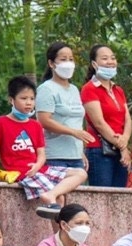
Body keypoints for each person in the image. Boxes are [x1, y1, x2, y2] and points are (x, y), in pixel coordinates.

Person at [0, 76, 87, 218]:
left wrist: (37, 166)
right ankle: (57, 237)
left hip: (39, 170)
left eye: (32, 99)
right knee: (59, 199)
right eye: (23, 98)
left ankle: (50, 195)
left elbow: (41, 154)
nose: (29, 103)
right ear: (11, 100)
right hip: (19, 173)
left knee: (80, 173)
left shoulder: (35, 125)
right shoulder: (1, 122)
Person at [36, 42, 93, 181]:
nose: (68, 63)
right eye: (63, 59)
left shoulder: (74, 89)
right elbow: (44, 120)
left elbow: (76, 121)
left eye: (71, 59)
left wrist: (81, 152)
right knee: (58, 196)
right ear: (51, 63)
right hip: (55, 156)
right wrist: (73, 132)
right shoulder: (46, 89)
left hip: (76, 156)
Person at [80, 45, 131, 187]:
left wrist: (124, 142)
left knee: (119, 197)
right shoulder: (89, 89)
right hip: (99, 150)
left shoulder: (118, 90)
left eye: (113, 58)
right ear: (94, 64)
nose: (110, 61)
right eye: (104, 58)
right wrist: (122, 146)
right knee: (102, 197)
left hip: (120, 150)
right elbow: (99, 123)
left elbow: (127, 119)